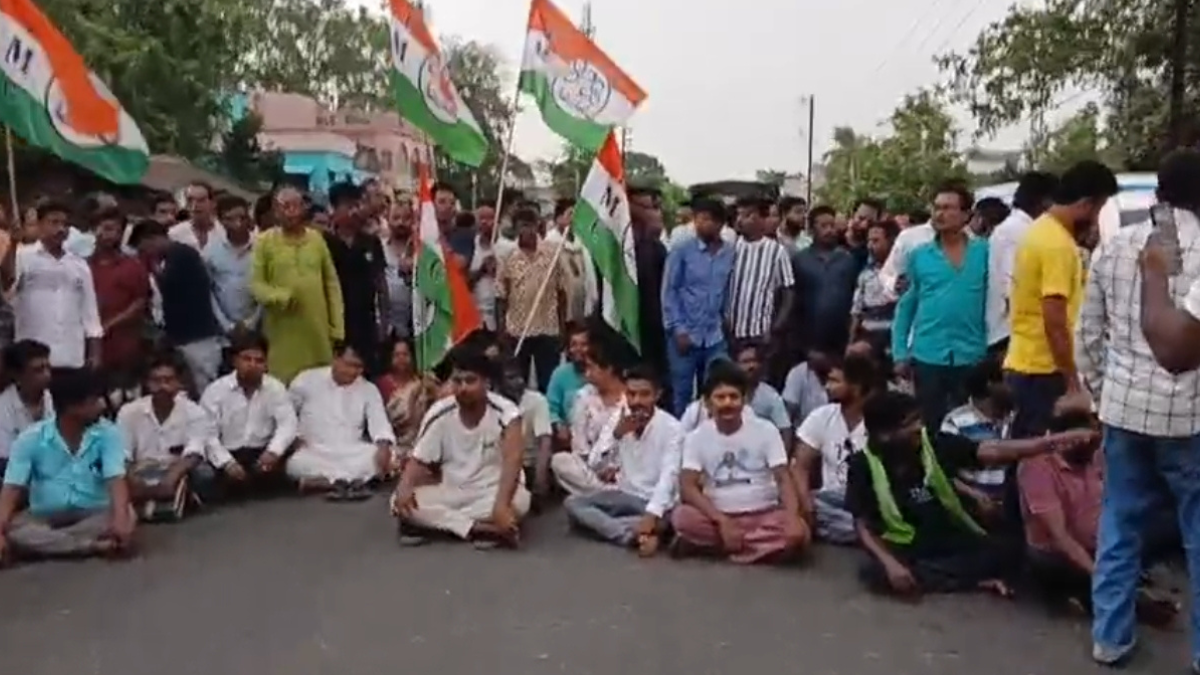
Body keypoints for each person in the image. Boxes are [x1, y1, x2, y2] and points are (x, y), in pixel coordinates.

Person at [1078, 149, 1200, 668]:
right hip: (1191, 418)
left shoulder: (1116, 246)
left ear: (1159, 192)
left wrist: (1102, 395)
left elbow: (1088, 335)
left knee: (1119, 524)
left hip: (1124, 411)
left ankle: (1110, 638)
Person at [846, 390, 1094, 598]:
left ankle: (951, 579)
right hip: (906, 547)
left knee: (1010, 549)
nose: (918, 427)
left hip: (947, 537)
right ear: (885, 434)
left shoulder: (932, 442)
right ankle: (968, 580)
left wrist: (1054, 441)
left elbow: (993, 450)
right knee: (876, 572)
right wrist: (889, 563)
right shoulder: (862, 465)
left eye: (918, 420)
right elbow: (862, 525)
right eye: (909, 423)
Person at [1019, 402, 1179, 623]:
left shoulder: (1094, 456)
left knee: (1168, 525)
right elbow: (1060, 537)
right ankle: (1118, 595)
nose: (1094, 446)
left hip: (1102, 541)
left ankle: (1124, 586)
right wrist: (1102, 574)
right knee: (1102, 586)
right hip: (1057, 555)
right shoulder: (1038, 468)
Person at [1005, 161, 1117, 438]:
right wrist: (1072, 384)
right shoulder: (1057, 246)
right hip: (1045, 370)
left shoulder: (1041, 230)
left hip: (1027, 363)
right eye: (1099, 209)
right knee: (1046, 452)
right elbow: (1054, 319)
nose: (1096, 219)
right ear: (1087, 204)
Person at [670, 363, 809, 564]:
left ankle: (719, 547)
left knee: (798, 532)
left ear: (744, 401)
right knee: (682, 517)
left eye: (733, 397)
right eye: (720, 397)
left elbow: (783, 478)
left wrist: (792, 516)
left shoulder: (766, 430)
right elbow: (687, 486)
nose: (727, 403)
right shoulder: (696, 437)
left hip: (763, 514)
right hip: (717, 517)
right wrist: (721, 521)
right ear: (707, 403)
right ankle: (757, 549)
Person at [392, 348, 529, 548]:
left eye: (470, 381)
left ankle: (443, 525)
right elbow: (419, 459)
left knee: (520, 501)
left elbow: (513, 460)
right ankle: (482, 529)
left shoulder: (507, 413)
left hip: (493, 491)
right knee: (399, 500)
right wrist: (404, 488)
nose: (463, 388)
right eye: (457, 381)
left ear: (486, 383)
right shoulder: (440, 411)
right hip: (453, 492)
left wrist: (501, 506)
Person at [0, 369, 135, 562]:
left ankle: (53, 545)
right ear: (73, 408)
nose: (102, 405)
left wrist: (120, 519)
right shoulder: (30, 438)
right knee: (16, 530)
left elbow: (116, 478)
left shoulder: (108, 433)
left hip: (94, 511)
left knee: (127, 515)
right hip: (44, 515)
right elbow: (12, 488)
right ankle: (89, 545)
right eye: (94, 401)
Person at [892, 182, 988, 430]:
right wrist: (900, 352)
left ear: (966, 215)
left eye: (947, 208)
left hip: (972, 355)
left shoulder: (985, 252)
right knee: (931, 426)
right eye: (936, 208)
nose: (939, 214)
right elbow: (906, 306)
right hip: (928, 355)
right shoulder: (920, 255)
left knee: (971, 427)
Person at [564, 366, 682, 555]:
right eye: (631, 394)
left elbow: (669, 478)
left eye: (644, 395)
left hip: (655, 502)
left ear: (657, 395)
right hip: (625, 496)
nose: (636, 401)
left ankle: (635, 528)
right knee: (573, 503)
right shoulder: (620, 419)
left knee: (668, 516)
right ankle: (631, 534)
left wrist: (652, 515)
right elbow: (594, 464)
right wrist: (616, 435)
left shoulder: (672, 428)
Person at [251, 186, 345, 383]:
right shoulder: (264, 242)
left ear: (304, 208)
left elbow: (331, 284)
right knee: (282, 388)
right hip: (282, 332)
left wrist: (337, 329)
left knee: (320, 387)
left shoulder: (316, 239)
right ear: (275, 211)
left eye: (295, 206)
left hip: (317, 332)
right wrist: (280, 297)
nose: (290, 212)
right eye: (285, 207)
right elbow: (256, 286)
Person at [0, 199, 103, 371]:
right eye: (54, 222)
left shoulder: (79, 265)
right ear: (40, 225)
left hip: (71, 357)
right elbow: (7, 283)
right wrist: (13, 243)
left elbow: (90, 314)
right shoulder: (22, 256)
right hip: (31, 359)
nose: (60, 228)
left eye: (65, 224)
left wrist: (95, 353)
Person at [288, 342, 395, 500]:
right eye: (349, 365)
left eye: (358, 367)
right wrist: (294, 438)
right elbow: (287, 414)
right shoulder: (306, 380)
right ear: (335, 358)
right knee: (296, 464)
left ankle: (328, 483)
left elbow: (379, 422)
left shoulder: (368, 389)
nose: (353, 371)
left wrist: (383, 446)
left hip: (351, 451)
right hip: (315, 450)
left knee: (385, 456)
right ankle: (353, 483)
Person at [129, 220, 225, 393]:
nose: (147, 253)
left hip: (198, 334)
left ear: (153, 239)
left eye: (146, 248)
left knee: (205, 384)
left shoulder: (182, 254)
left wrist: (153, 267)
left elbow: (168, 285)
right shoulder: (169, 259)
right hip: (180, 335)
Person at [117, 354, 216, 521]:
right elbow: (121, 453)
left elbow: (195, 451)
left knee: (205, 475)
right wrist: (131, 479)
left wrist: (172, 476)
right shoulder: (129, 412)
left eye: (168, 380)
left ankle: (171, 500)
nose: (162, 386)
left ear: (179, 383)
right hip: (141, 469)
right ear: (147, 383)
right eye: (156, 381)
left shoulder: (194, 411)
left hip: (176, 469)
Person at [200, 333, 298, 497]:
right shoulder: (215, 391)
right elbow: (208, 434)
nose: (252, 365)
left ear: (266, 364)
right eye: (247, 359)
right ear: (235, 361)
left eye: (259, 361)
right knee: (209, 479)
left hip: (262, 453)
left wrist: (273, 452)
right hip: (228, 454)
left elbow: (287, 425)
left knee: (291, 467)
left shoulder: (275, 388)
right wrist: (227, 463)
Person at [662, 197, 735, 415]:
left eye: (707, 220)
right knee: (682, 394)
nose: (701, 224)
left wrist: (727, 318)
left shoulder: (730, 252)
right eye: (698, 219)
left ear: (720, 223)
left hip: (714, 335)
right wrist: (678, 328)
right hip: (685, 334)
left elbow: (729, 288)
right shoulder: (682, 251)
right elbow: (670, 291)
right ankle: (681, 433)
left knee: (715, 388)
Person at [792, 354, 876, 545]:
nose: (828, 387)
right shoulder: (822, 416)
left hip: (868, 500)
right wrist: (806, 504)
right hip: (830, 500)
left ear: (856, 386)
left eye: (835, 381)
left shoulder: (879, 418)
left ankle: (856, 532)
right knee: (795, 503)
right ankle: (863, 535)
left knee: (871, 517)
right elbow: (799, 466)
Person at [986, 171, 1058, 354]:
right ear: (1045, 201)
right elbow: (1014, 289)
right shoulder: (1017, 231)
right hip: (1012, 334)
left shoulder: (1021, 228)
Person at [496, 207, 566, 393]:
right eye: (522, 226)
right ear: (516, 229)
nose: (527, 231)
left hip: (548, 328)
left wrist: (562, 328)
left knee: (548, 383)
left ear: (537, 226)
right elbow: (501, 296)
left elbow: (562, 292)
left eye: (530, 225)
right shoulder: (508, 256)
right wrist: (502, 330)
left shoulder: (552, 253)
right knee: (518, 383)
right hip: (517, 329)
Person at [88, 207, 150, 408]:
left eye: (112, 229)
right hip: (90, 351)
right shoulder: (83, 266)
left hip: (124, 350)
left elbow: (140, 303)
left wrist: (110, 324)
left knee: (123, 404)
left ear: (121, 234)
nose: (105, 234)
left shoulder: (133, 266)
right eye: (102, 228)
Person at [324, 182, 387, 376]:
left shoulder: (371, 242)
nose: (354, 211)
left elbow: (381, 284)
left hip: (365, 324)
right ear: (334, 209)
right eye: (348, 205)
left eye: (357, 204)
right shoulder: (324, 243)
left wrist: (383, 323)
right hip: (334, 325)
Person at [680, 342, 791, 447]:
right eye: (745, 361)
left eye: (754, 361)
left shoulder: (750, 411)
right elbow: (681, 441)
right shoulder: (695, 411)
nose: (751, 366)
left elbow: (784, 428)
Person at [940, 359, 1012, 512]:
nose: (1015, 386)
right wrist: (974, 496)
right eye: (1008, 380)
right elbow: (945, 473)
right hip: (974, 508)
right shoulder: (955, 421)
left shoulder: (1018, 417)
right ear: (991, 385)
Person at [553, 348, 625, 496]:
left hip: (623, 469)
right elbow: (579, 445)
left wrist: (616, 468)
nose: (587, 374)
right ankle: (605, 494)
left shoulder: (630, 399)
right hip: (590, 470)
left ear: (608, 369)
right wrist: (596, 468)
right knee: (560, 461)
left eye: (591, 367)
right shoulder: (584, 396)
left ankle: (601, 495)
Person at [726, 197, 795, 344]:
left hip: (760, 334)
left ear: (762, 219)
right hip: (731, 334)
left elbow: (788, 292)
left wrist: (777, 327)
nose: (740, 220)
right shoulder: (731, 249)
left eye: (747, 215)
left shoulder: (777, 251)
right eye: (738, 215)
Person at [793, 205, 860, 357]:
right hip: (808, 338)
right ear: (811, 229)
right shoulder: (800, 260)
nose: (829, 230)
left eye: (832, 225)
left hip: (841, 338)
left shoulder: (848, 260)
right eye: (823, 226)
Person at [206, 195, 261, 343]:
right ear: (220, 221)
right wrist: (227, 325)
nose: (237, 224)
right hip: (222, 329)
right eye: (229, 219)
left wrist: (250, 324)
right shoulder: (211, 250)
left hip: (259, 327)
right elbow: (209, 291)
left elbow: (268, 289)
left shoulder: (262, 247)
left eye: (242, 218)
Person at [496, 358, 553, 500]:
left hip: (529, 465)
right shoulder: (493, 404)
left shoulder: (537, 400)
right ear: (499, 382)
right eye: (511, 378)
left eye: (520, 376)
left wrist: (540, 476)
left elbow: (545, 440)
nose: (519, 381)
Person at [0, 340, 53, 477]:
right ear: (17, 375)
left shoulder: (58, 400)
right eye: (38, 370)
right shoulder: (3, 408)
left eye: (48, 368)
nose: (47, 375)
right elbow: (5, 461)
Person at [375, 339, 432, 465]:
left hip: (420, 445)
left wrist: (431, 388)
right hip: (393, 446)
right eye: (397, 355)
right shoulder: (382, 384)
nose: (401, 359)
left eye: (405, 354)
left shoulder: (422, 383)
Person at [850, 219, 899, 355]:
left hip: (894, 338)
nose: (870, 246)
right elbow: (856, 312)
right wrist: (851, 342)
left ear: (891, 241)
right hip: (869, 339)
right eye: (869, 241)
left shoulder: (903, 273)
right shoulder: (865, 274)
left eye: (876, 241)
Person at [545, 321, 590, 448]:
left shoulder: (601, 372)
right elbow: (550, 408)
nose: (578, 349)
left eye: (583, 344)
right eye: (574, 345)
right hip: (569, 439)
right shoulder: (560, 374)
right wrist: (558, 424)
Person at [169, 182, 226, 253]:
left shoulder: (225, 233)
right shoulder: (175, 234)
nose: (194, 206)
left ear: (213, 203)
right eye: (190, 200)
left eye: (201, 200)